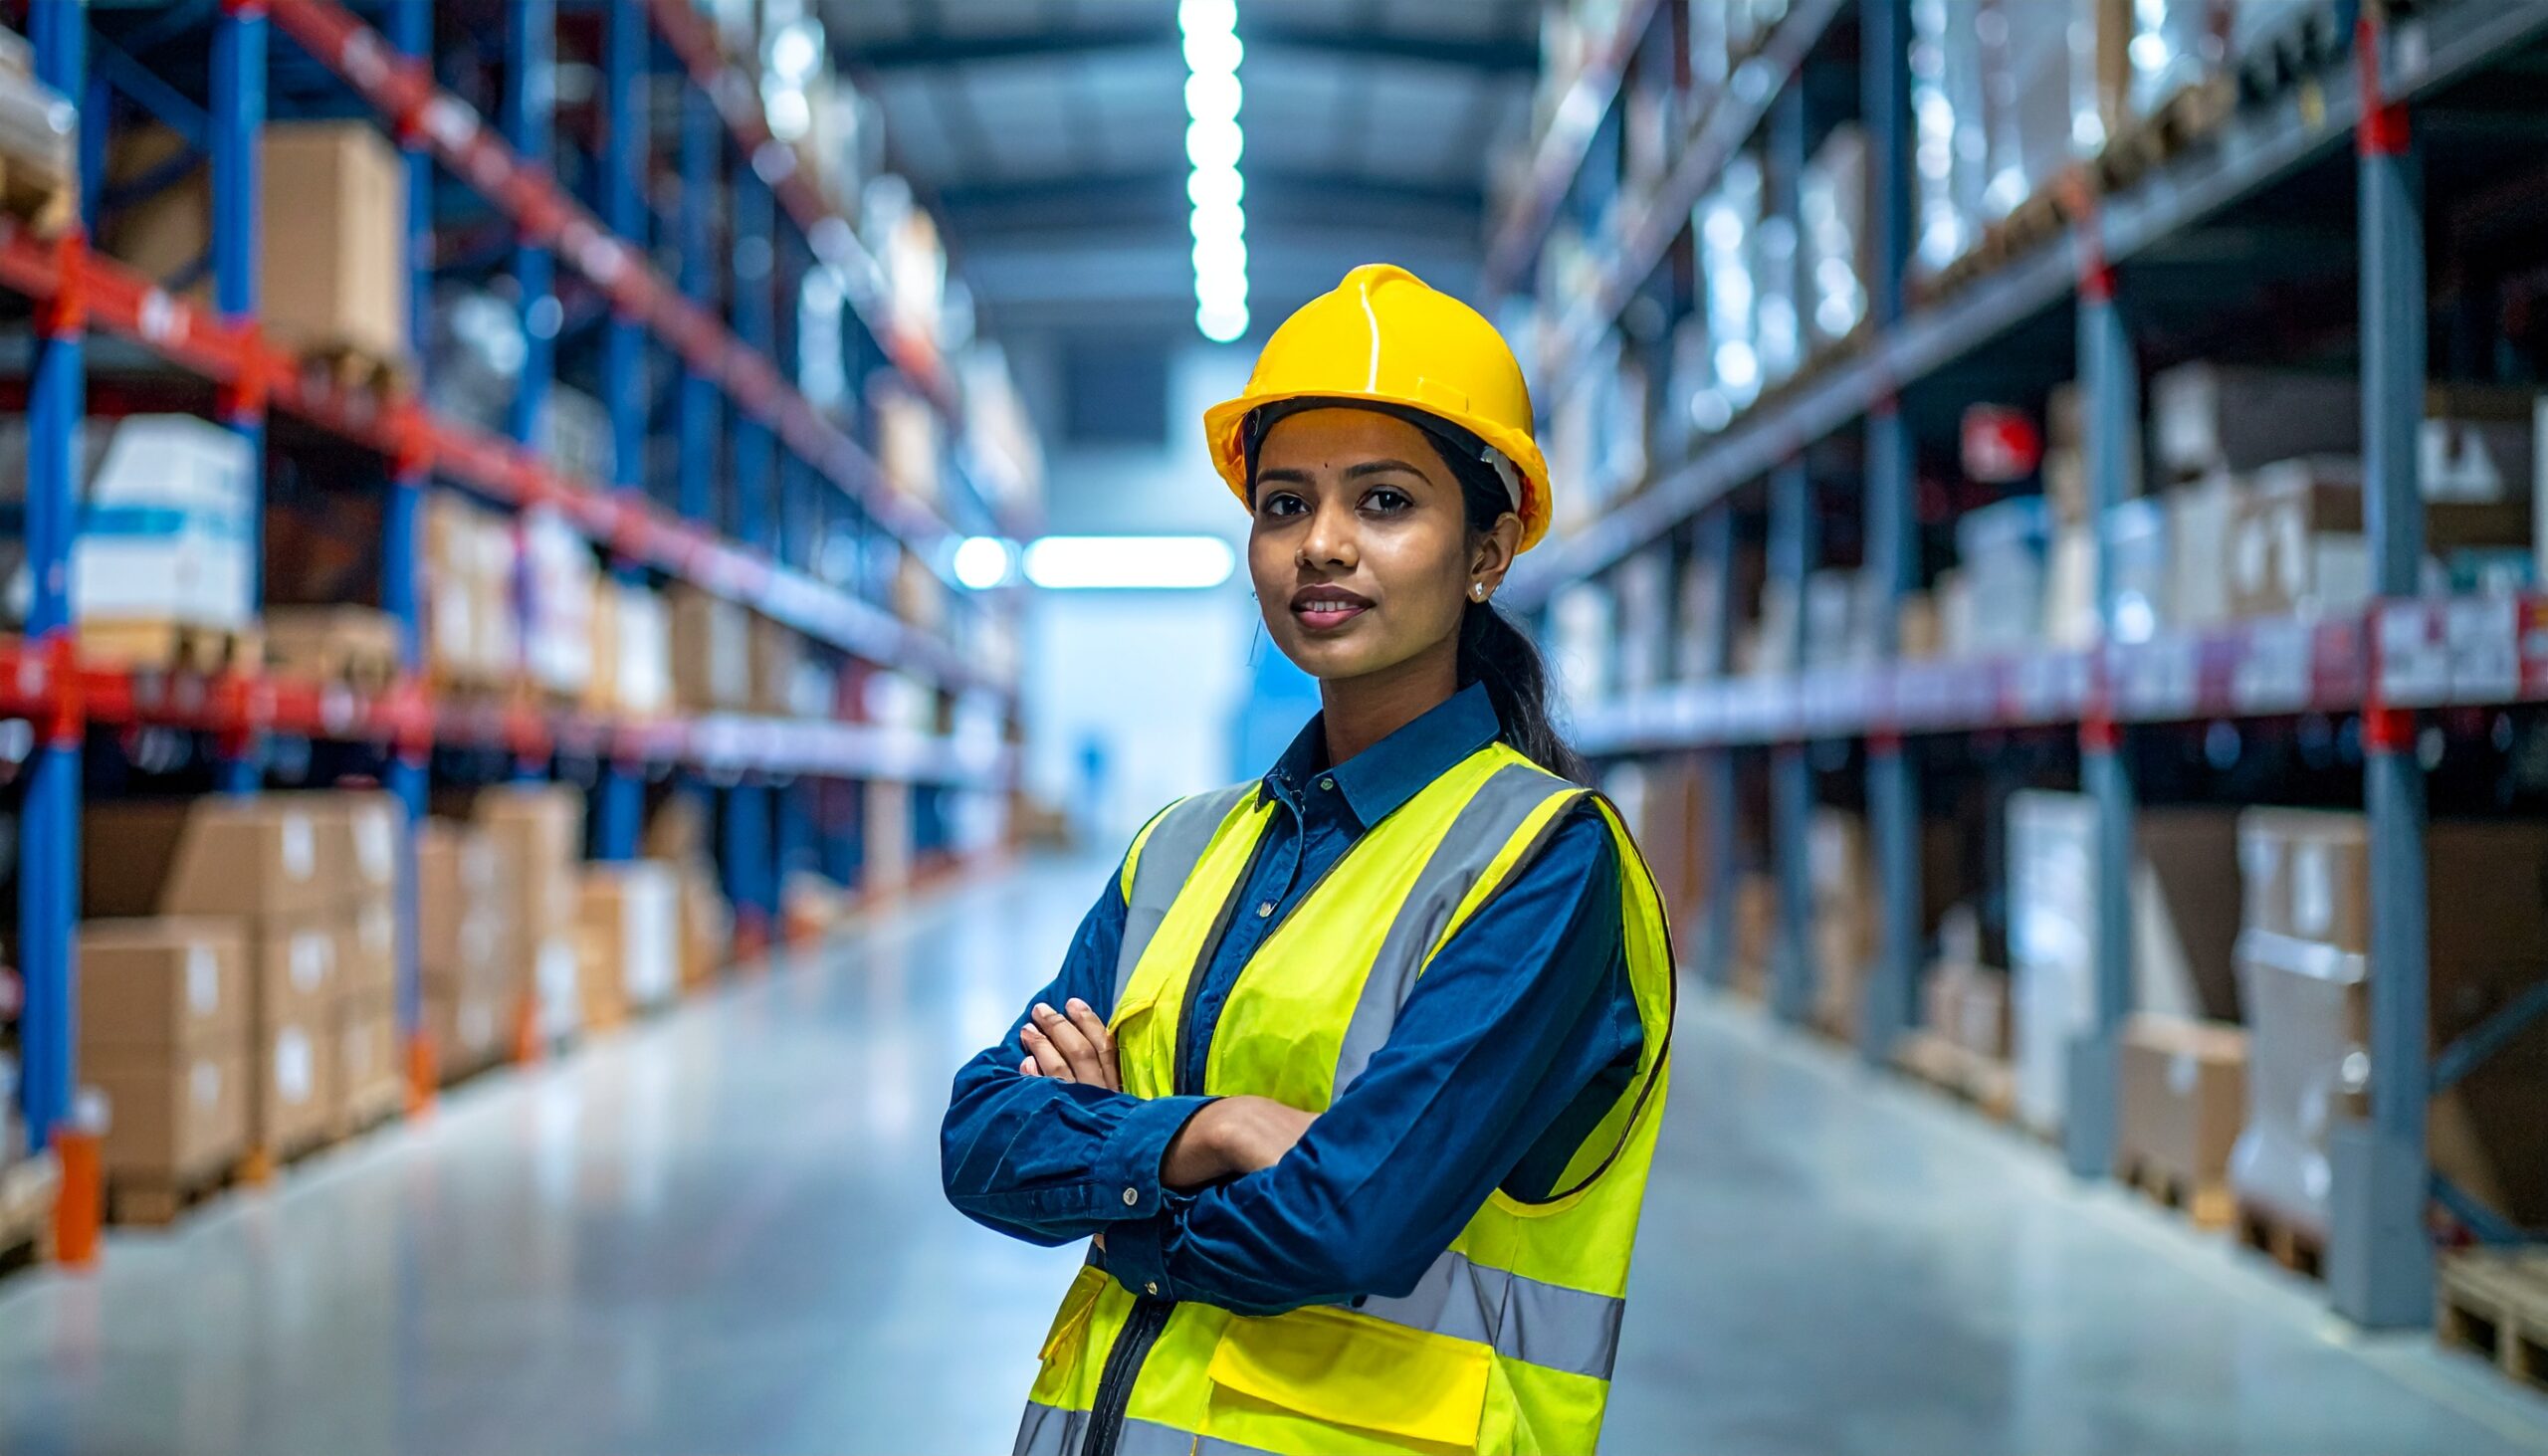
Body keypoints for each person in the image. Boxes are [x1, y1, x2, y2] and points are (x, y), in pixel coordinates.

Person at [941, 264, 1675, 1455]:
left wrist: (1110, 1175)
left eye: (1383, 502)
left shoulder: (1544, 865)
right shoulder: (1179, 848)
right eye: (1283, 505)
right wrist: (1213, 1130)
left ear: (1485, 550)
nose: (1320, 546)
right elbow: (979, 1132)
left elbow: (1348, 1219)